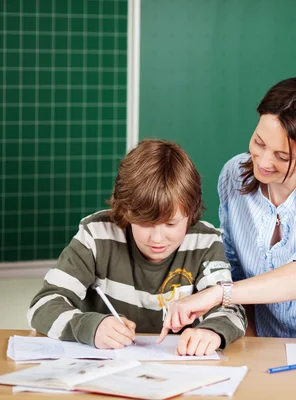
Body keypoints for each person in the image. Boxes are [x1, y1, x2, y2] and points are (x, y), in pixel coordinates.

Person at [159, 77, 296, 340]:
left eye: (282, 156)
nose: (263, 161)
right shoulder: (234, 175)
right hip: (263, 345)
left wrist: (218, 293)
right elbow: (234, 266)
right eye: (259, 142)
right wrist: (244, 340)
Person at [28, 139, 246, 355]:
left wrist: (211, 331)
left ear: (191, 212)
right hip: (106, 370)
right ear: (126, 210)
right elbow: (43, 305)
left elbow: (232, 309)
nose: (158, 238)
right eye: (145, 223)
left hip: (179, 371)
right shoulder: (96, 234)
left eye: (171, 223)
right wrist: (90, 327)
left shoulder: (205, 242)